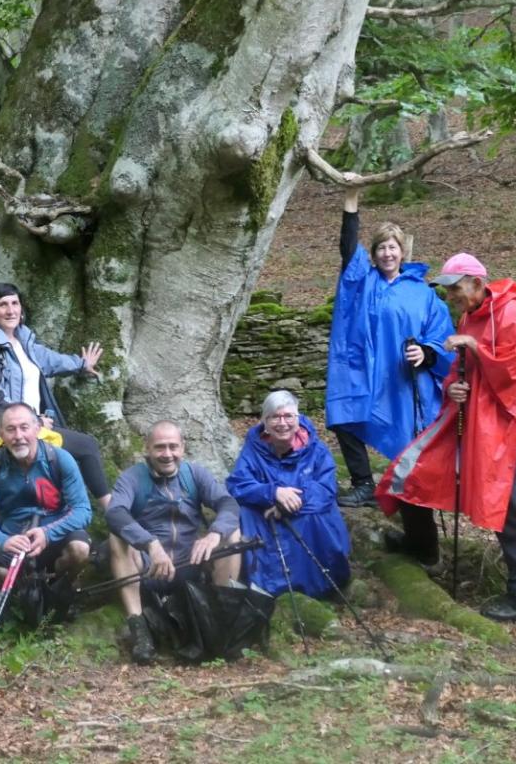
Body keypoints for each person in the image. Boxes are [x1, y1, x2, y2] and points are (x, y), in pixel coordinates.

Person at [378, 253, 516, 622]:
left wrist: (474, 348)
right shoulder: (469, 317)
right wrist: (454, 386)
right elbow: (460, 372)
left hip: (509, 427)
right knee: (411, 470)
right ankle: (422, 547)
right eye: (448, 289)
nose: (451, 295)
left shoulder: (514, 315)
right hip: (470, 421)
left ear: (476, 281)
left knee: (508, 506)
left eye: (455, 287)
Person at [327, 181, 455, 508]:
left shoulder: (422, 292)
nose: (387, 253)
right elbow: (347, 246)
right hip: (363, 370)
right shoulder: (361, 281)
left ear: (403, 252)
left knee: (409, 430)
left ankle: (409, 488)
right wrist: (351, 201)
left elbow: (440, 334)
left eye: (393, 247)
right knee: (344, 415)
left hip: (401, 377)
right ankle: (362, 484)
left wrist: (426, 353)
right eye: (381, 247)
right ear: (373, 254)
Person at [0, 282, 110, 509]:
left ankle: (111, 513)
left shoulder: (23, 340)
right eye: (3, 305)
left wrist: (81, 364)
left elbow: (50, 360)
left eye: (15, 303)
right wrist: (34, 421)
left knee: (84, 447)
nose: (11, 310)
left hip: (31, 431)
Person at [107, 420, 242, 665]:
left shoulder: (195, 474)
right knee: (116, 538)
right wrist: (151, 545)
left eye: (173, 447)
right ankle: (139, 630)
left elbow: (228, 504)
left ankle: (223, 615)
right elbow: (115, 513)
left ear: (183, 447)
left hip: (191, 563)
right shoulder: (132, 478)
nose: (167, 454)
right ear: (146, 448)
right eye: (159, 447)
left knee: (232, 533)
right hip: (150, 567)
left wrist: (215, 533)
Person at [226, 391, 350, 599]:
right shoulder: (253, 450)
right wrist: (273, 492)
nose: (282, 423)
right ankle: (266, 585)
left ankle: (318, 586)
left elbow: (326, 489)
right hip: (266, 516)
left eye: (288, 416)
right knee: (247, 513)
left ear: (298, 419)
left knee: (316, 516)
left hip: (306, 512)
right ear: (265, 421)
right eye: (275, 417)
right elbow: (237, 483)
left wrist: (288, 504)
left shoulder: (317, 450)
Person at [0, 403, 92, 587]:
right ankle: (20, 590)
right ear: (1, 434)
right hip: (12, 537)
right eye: (10, 430)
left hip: (54, 535)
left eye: (24, 428)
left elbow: (83, 510)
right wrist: (3, 541)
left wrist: (48, 533)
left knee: (80, 549)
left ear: (37, 428)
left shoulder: (60, 459)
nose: (18, 436)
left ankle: (59, 584)